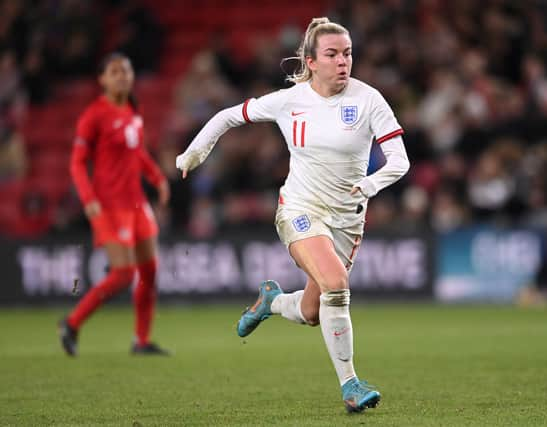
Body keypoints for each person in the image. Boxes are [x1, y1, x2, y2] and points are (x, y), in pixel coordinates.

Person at [176, 18, 410, 413]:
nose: (343, 62)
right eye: (333, 54)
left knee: (312, 311)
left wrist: (372, 184)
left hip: (347, 220)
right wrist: (193, 153)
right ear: (311, 61)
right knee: (337, 283)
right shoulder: (290, 101)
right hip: (300, 210)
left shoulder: (369, 100)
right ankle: (351, 384)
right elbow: (227, 116)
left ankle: (271, 302)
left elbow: (400, 161)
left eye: (348, 54)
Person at [58, 53, 171, 356]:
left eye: (126, 70)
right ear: (102, 79)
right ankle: (71, 323)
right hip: (109, 206)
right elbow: (77, 164)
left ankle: (141, 341)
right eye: (115, 71)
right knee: (123, 274)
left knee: (149, 271)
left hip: (137, 204)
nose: (122, 76)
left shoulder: (133, 109)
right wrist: (88, 199)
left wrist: (158, 178)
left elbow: (138, 152)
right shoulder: (94, 115)